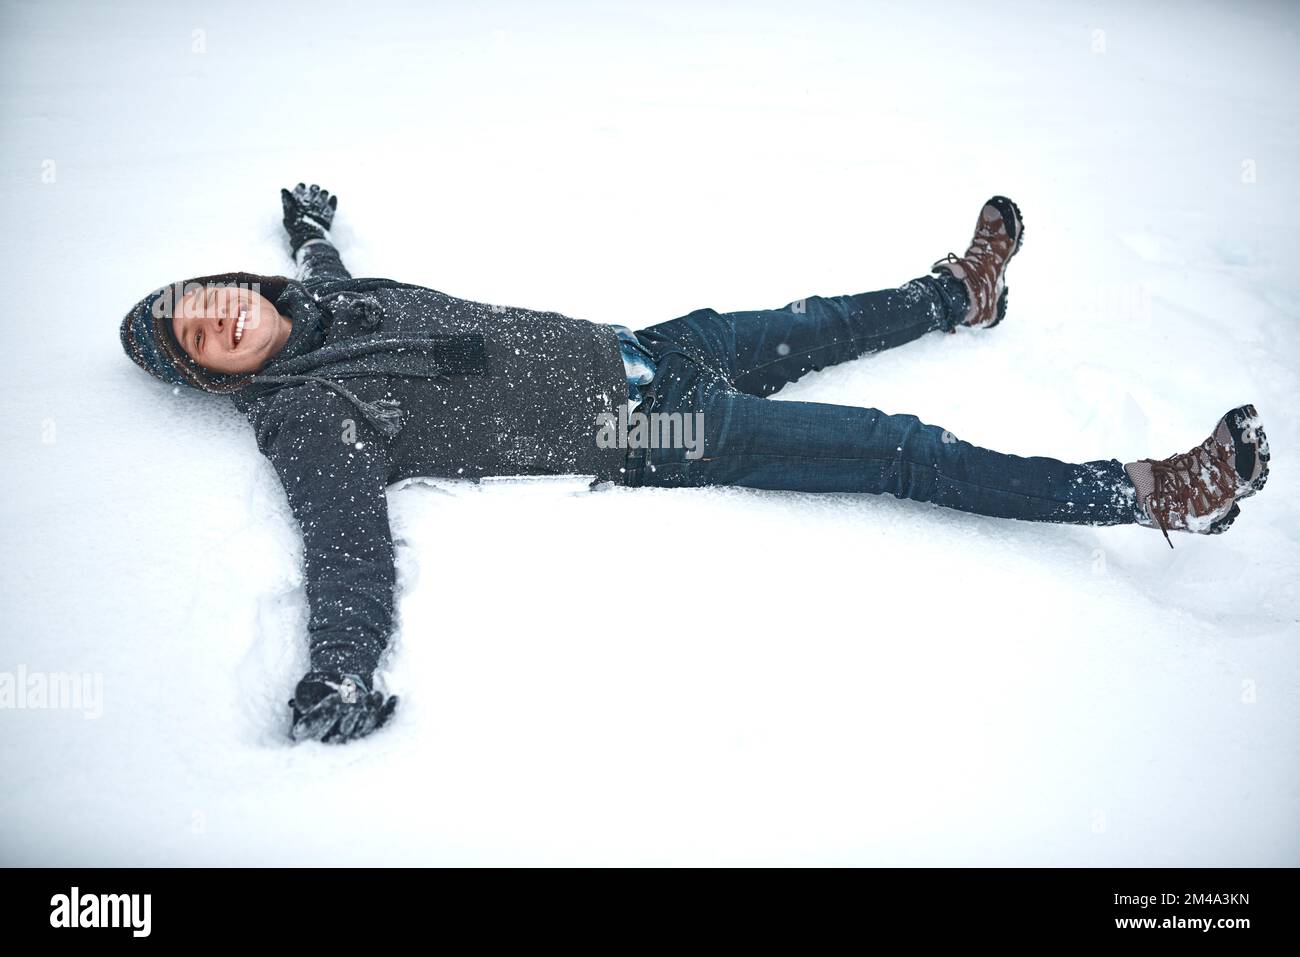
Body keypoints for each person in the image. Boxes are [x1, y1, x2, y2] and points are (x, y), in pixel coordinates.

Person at [119, 183, 1271, 744]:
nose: (221, 315)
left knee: (819, 321)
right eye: (204, 338)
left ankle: (955, 297)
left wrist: (310, 230)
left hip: (644, 345)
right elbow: (344, 550)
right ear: (219, 378)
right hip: (644, 434)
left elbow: (317, 272)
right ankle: (1150, 492)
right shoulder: (310, 414)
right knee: (894, 450)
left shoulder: (324, 301)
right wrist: (340, 669)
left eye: (206, 298)